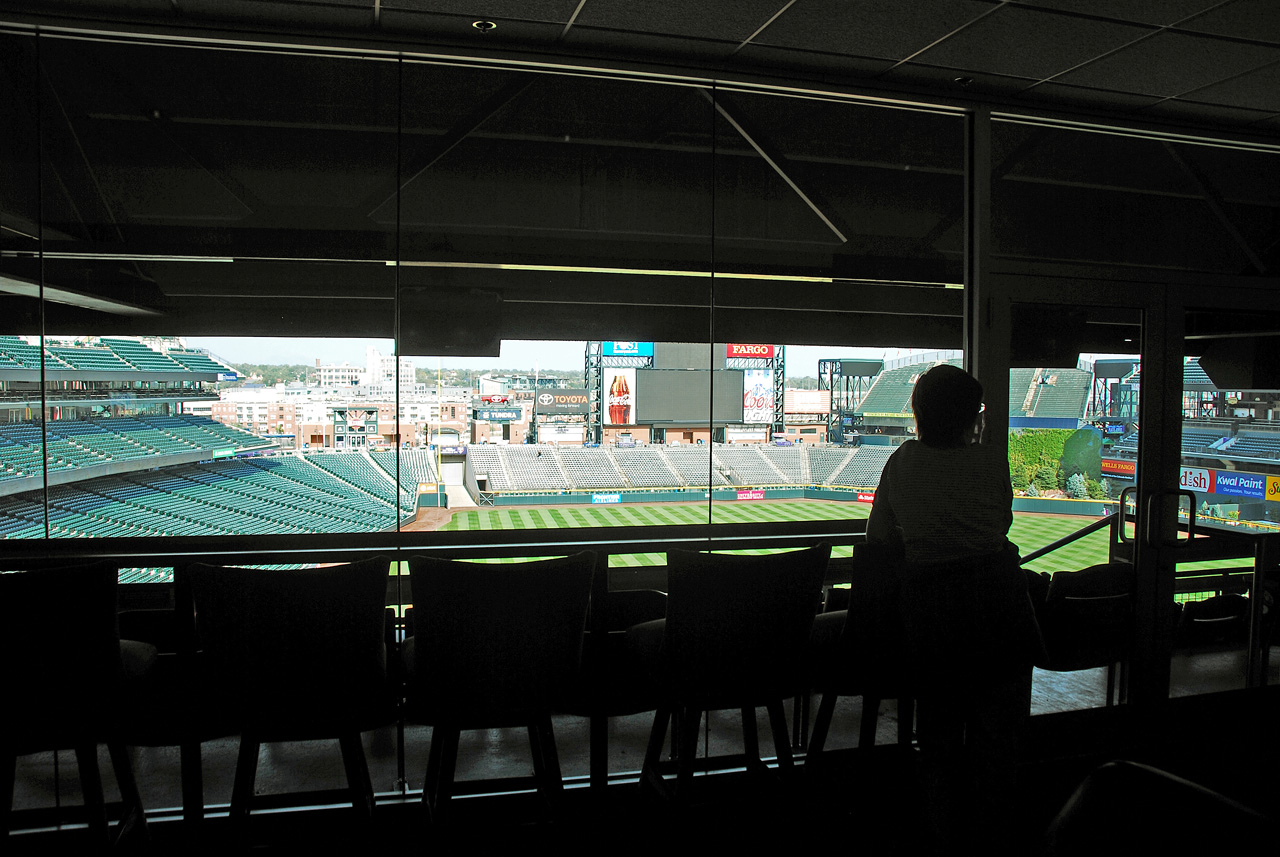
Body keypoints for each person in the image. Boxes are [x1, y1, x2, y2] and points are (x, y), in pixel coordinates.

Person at [865, 363, 1042, 853]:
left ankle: (944, 841)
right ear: (972, 417)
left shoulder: (901, 462)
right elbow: (998, 526)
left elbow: (877, 539)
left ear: (919, 414)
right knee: (997, 743)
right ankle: (996, 841)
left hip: (934, 613)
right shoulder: (991, 462)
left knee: (939, 742)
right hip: (1001, 606)